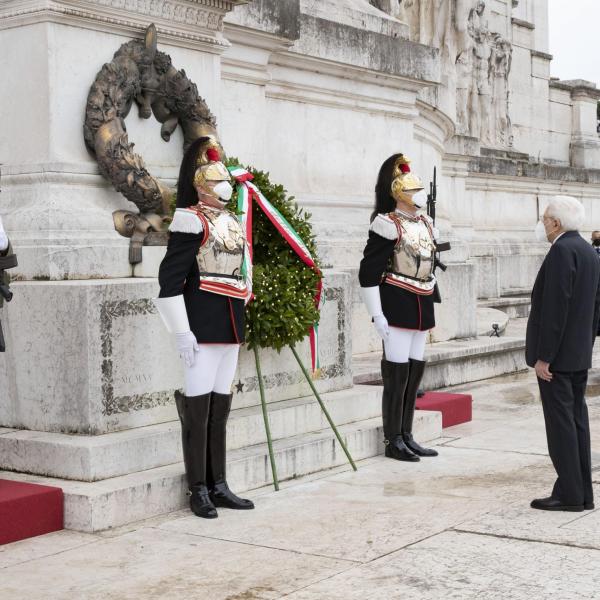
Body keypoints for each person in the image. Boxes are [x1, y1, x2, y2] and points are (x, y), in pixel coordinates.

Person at [153, 136, 254, 519]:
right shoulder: (190, 219)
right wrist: (181, 330)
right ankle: (198, 487)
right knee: (197, 407)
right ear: (201, 186)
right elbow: (170, 279)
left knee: (220, 406)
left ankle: (219, 483)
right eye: (218, 181)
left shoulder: (230, 220)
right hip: (201, 323)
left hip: (229, 323)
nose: (226, 187)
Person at [358, 154, 439, 462]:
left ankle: (407, 433)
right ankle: (393, 438)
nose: (419, 195)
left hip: (422, 299)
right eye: (413, 190)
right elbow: (369, 272)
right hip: (397, 299)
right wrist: (376, 313)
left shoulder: (426, 223)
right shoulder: (386, 225)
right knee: (397, 374)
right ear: (399, 193)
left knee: (415, 372)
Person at [527, 195, 600, 512]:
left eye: (545, 219)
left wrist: (545, 356)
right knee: (576, 422)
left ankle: (570, 494)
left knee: (561, 427)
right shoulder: (588, 251)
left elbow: (555, 308)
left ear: (556, 222)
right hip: (578, 353)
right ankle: (582, 492)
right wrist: (586, 345)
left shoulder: (561, 251)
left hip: (557, 359)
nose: (544, 224)